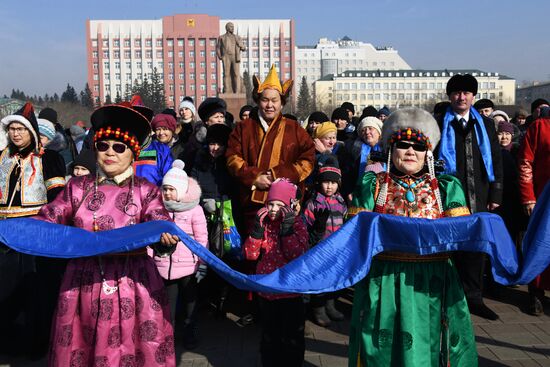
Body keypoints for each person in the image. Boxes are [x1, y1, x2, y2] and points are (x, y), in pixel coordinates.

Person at [35, 104, 177, 366]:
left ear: (133, 153)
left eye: (119, 147)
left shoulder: (146, 191)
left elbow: (160, 220)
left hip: (133, 281)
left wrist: (165, 238)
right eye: (103, 146)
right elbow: (51, 216)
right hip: (83, 280)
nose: (110, 152)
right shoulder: (78, 187)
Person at [348, 108, 477, 367]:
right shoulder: (373, 183)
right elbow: (355, 230)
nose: (410, 151)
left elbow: (460, 232)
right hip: (384, 277)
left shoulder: (446, 186)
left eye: (418, 146)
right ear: (390, 149)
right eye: (402, 145)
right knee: (380, 348)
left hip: (433, 280)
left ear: (427, 152)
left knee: (428, 346)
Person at [0, 103, 66, 357]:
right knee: (5, 289)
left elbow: (58, 198)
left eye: (21, 129)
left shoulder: (48, 158)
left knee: (36, 291)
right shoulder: (2, 157)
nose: (16, 134)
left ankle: (36, 343)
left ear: (32, 131)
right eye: (12, 129)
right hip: (4, 235)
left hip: (35, 235)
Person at [435, 73, 503, 321]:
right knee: (450, 246)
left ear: (473, 96)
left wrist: (496, 192)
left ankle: (474, 297)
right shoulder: (440, 122)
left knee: (477, 246)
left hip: (480, 194)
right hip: (448, 196)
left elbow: (495, 159)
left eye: (466, 93)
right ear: (450, 96)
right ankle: (448, 297)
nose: (461, 97)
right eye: (456, 92)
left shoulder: (484, 124)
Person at [226, 65, 315, 235]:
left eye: (274, 100)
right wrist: (254, 177)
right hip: (252, 205)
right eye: (265, 100)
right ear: (258, 101)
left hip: (285, 205)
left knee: (285, 252)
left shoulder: (294, 129)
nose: (269, 105)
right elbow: (232, 158)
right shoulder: (243, 128)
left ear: (282, 102)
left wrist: (277, 176)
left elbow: (308, 160)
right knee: (253, 253)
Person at [243, 178, 309, 367]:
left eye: (279, 205)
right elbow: (250, 255)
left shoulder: (297, 225)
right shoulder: (264, 224)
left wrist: (286, 230)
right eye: (270, 204)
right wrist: (256, 232)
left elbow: (295, 254)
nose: (272, 209)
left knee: (292, 336)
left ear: (289, 206)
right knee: (269, 335)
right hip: (267, 291)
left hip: (290, 292)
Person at [149, 159, 208, 349]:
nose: (167, 193)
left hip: (189, 266)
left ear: (181, 190)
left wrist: (203, 263)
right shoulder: (158, 209)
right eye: (165, 189)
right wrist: (150, 258)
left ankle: (190, 333)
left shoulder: (194, 209)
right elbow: (150, 236)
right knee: (167, 304)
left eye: (171, 189)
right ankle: (169, 337)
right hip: (164, 265)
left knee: (190, 301)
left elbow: (201, 239)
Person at [302, 156, 347, 327]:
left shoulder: (340, 202)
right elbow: (306, 226)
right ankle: (318, 309)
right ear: (319, 183)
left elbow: (344, 222)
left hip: (336, 250)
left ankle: (331, 305)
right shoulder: (313, 203)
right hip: (319, 249)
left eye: (333, 183)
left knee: (334, 279)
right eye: (326, 182)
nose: (330, 186)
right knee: (319, 280)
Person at [517, 113, 550, 315]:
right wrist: (528, 196)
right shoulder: (540, 127)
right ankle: (535, 293)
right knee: (540, 245)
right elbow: (525, 162)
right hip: (542, 199)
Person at [341, 116, 384, 202]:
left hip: (383, 194)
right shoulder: (355, 149)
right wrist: (348, 192)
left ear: (379, 132)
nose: (367, 132)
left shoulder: (387, 150)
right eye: (363, 130)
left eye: (370, 128)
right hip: (360, 196)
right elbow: (347, 173)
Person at [217, 22, 246, 94]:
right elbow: (218, 47)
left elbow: (244, 47)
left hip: (235, 57)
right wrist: (220, 56)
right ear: (227, 28)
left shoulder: (237, 37)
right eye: (230, 27)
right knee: (226, 74)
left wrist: (241, 45)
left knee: (236, 74)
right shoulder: (221, 37)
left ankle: (237, 91)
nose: (232, 28)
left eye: (233, 27)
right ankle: (227, 90)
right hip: (226, 57)